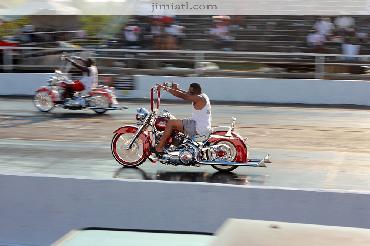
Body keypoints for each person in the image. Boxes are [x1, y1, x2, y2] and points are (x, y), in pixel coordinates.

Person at [155, 82, 212, 154]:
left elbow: (183, 96)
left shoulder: (199, 98)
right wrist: (176, 89)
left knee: (170, 123)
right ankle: (174, 145)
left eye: (190, 91)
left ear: (194, 92)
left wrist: (165, 88)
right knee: (171, 118)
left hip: (198, 127)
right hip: (199, 124)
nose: (188, 91)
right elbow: (186, 94)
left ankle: (159, 147)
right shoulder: (202, 96)